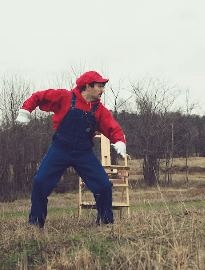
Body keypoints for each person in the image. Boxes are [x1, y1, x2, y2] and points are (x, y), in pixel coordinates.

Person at [15, 71, 126, 227]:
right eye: (99, 86)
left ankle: (105, 222)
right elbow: (39, 96)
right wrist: (26, 110)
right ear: (88, 86)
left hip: (84, 153)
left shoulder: (99, 110)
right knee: (40, 182)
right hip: (60, 149)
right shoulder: (65, 97)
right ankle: (35, 222)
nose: (102, 90)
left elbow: (112, 127)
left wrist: (119, 141)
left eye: (103, 87)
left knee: (104, 186)